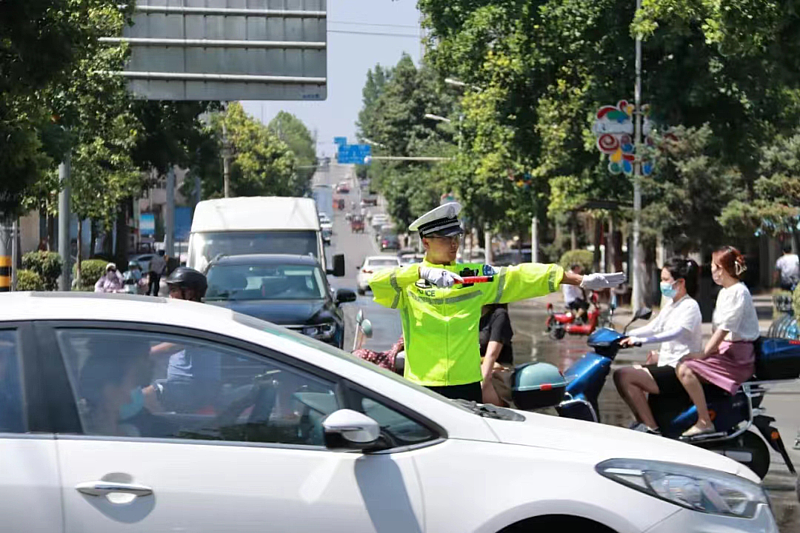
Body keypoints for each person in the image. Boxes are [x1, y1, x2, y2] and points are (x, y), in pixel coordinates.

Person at [369, 202, 625, 402]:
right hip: (422, 383)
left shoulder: (473, 276)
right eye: (446, 238)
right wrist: (420, 272)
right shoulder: (408, 281)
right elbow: (377, 282)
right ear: (426, 241)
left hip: (466, 384)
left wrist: (579, 280)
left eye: (456, 237)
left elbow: (522, 276)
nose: (454, 244)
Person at [613, 257, 703, 434]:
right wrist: (626, 334)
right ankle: (643, 421)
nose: (662, 284)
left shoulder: (690, 306)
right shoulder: (672, 304)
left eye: (665, 279)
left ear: (680, 282)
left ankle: (651, 428)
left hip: (678, 368)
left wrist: (641, 341)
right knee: (624, 375)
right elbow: (654, 327)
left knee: (624, 375)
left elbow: (675, 332)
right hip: (667, 363)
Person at [677, 246, 760, 438]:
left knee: (685, 369)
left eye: (714, 266)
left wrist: (703, 353)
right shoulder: (725, 292)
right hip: (724, 351)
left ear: (722, 269)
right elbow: (717, 331)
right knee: (680, 362)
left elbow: (724, 329)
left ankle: (704, 421)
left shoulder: (739, 292)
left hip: (737, 358)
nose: (712, 271)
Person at [144, 267, 222, 413]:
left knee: (143, 397)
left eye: (174, 290)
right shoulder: (186, 315)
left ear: (189, 293)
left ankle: (165, 426)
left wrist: (145, 354)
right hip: (183, 384)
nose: (170, 295)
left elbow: (177, 343)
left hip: (194, 386)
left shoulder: (201, 316)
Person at [479, 304, 514, 406]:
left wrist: (484, 382)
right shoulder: (468, 315)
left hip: (497, 369)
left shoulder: (499, 315)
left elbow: (492, 355)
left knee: (481, 387)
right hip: (476, 365)